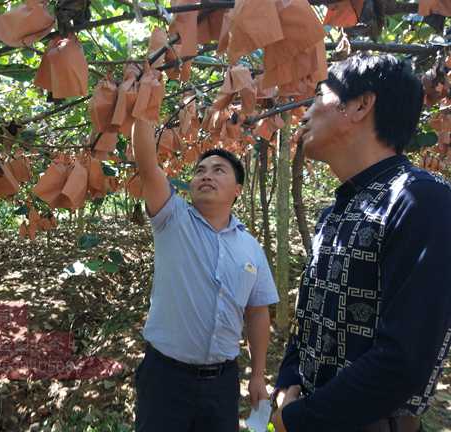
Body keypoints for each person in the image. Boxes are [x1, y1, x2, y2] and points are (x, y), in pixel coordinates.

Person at [272, 54, 451, 432]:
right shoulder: (335, 212)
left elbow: (403, 361)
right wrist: (287, 382)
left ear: (360, 105)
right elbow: (308, 315)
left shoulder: (422, 201)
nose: (304, 114)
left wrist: (298, 420)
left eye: (318, 97)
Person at [131, 118, 279, 431]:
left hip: (222, 384)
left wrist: (257, 374)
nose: (206, 176)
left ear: (237, 190)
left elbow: (257, 311)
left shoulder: (251, 247)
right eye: (200, 170)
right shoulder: (173, 218)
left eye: (218, 170)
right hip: (165, 379)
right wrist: (144, 104)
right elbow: (147, 165)